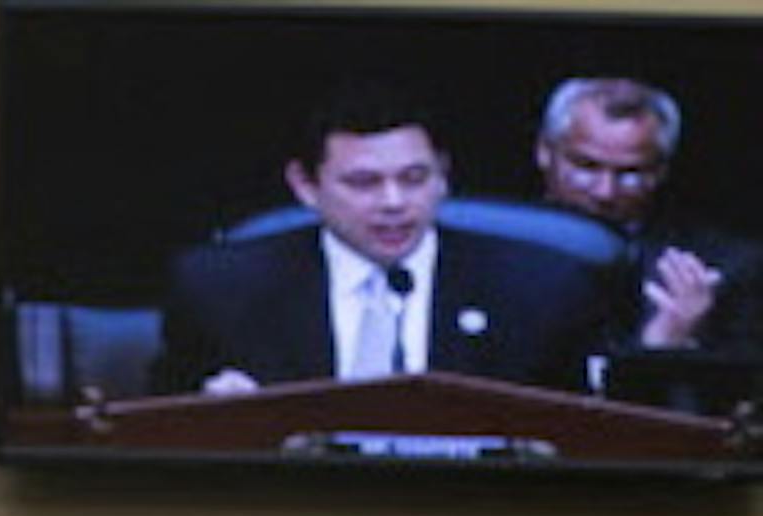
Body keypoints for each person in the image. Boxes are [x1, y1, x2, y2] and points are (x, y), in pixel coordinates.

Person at [153, 84, 608, 396]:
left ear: (443, 176)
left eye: (414, 178)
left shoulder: (540, 287)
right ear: (306, 186)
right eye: (364, 183)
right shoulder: (219, 288)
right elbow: (163, 426)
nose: (394, 203)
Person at [535, 76, 763, 354]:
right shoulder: (492, 246)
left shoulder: (725, 269)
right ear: (545, 152)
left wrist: (666, 348)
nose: (605, 192)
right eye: (586, 166)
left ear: (661, 171)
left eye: (630, 173)